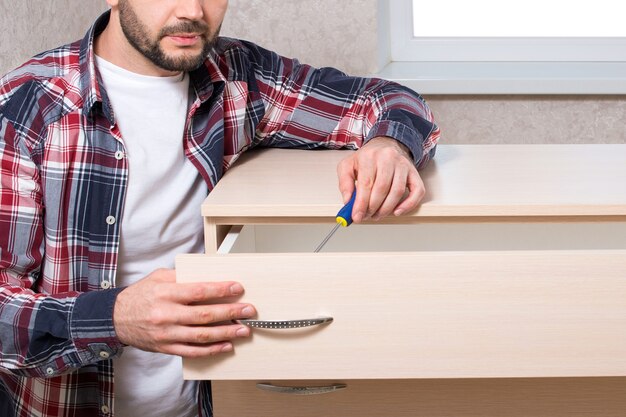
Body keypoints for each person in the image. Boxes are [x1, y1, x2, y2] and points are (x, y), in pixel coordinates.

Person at [0, 0, 440, 416]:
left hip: (212, 402)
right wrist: (115, 318)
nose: (193, 12)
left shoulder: (237, 76)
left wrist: (389, 145)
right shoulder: (27, 108)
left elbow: (389, 99)